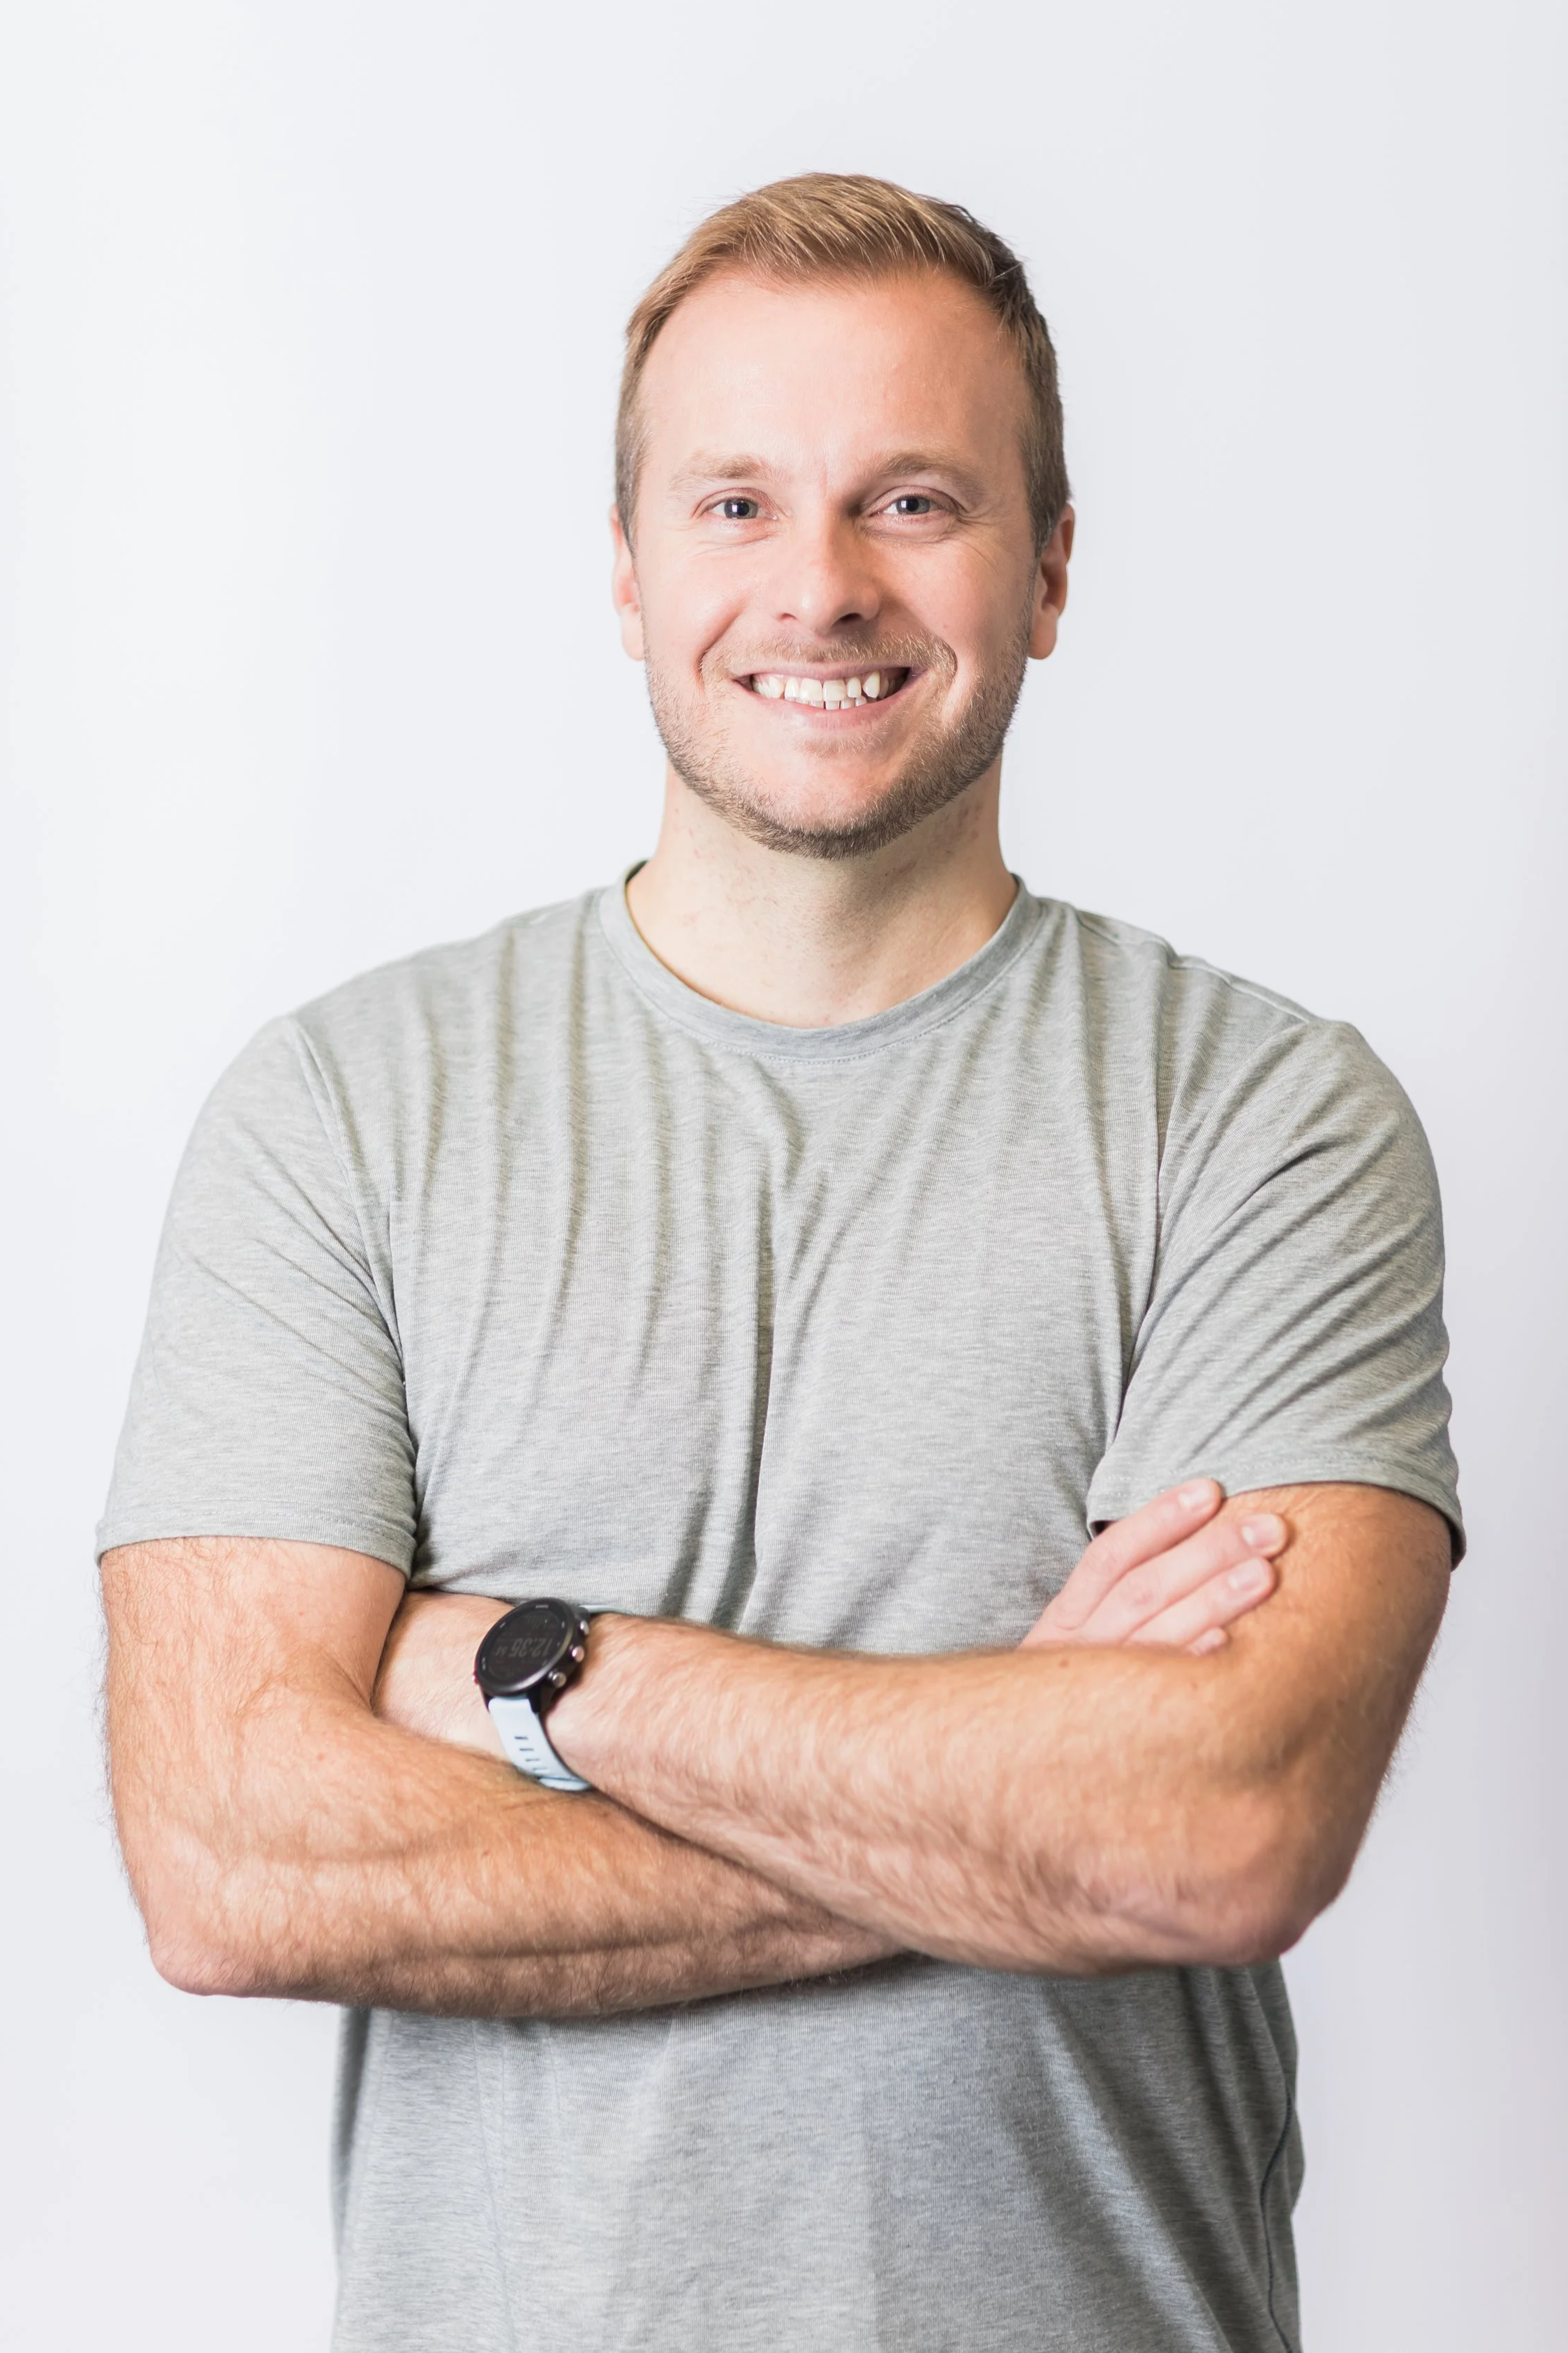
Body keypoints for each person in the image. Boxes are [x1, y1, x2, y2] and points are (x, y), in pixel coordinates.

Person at [98, 174, 1461, 2353]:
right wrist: (1012, 1811)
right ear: (626, 571)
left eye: (912, 500)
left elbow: (1212, 1832)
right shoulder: (342, 1112)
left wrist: (539, 1674)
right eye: (734, 504)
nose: (818, 586)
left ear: (1050, 569)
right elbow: (230, 1866)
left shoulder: (1258, 1117)